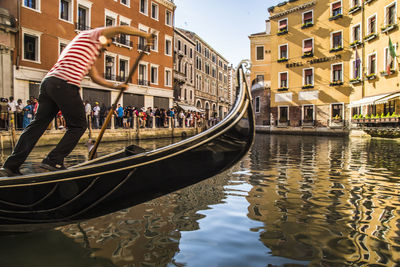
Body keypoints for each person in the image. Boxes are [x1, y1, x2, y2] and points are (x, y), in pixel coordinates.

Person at [0, 25, 154, 176]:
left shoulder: (87, 52)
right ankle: (53, 160)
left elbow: (95, 78)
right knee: (79, 126)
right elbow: (121, 28)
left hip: (49, 83)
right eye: (108, 43)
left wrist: (117, 85)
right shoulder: (92, 35)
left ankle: (11, 166)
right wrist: (144, 36)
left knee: (36, 126)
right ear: (103, 38)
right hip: (64, 84)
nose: (106, 48)